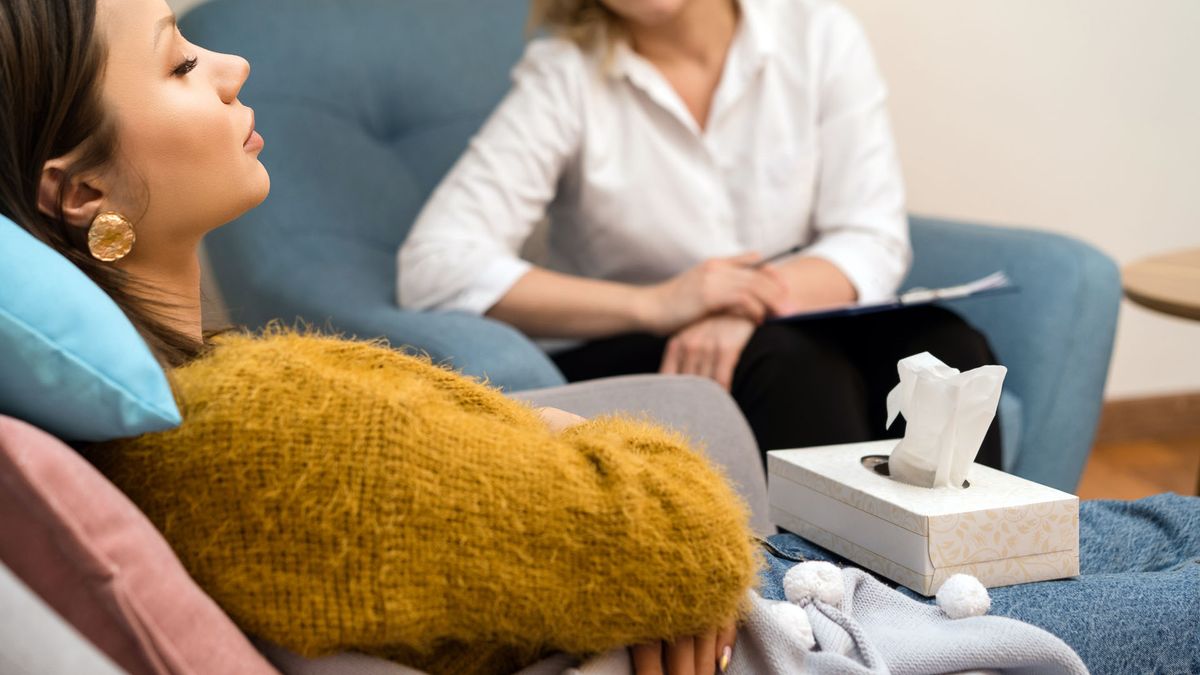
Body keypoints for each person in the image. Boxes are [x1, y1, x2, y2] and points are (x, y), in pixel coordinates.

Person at [3, 1, 1196, 674]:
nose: (231, 63)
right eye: (179, 58)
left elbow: (869, 230)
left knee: (924, 354)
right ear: (76, 192)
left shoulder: (235, 393)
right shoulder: (267, 428)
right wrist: (666, 318)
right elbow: (679, 532)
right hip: (816, 625)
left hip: (785, 570)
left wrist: (568, 442)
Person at [397, 0, 1004, 468]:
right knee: (791, 364)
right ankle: (818, 616)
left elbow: (870, 234)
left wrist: (742, 306)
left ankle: (990, 607)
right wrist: (659, 304)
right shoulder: (566, 77)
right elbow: (435, 264)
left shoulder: (816, 33)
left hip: (789, 318)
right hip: (645, 346)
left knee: (946, 350)